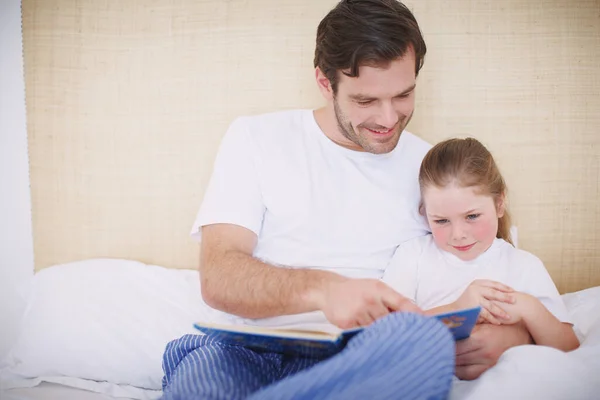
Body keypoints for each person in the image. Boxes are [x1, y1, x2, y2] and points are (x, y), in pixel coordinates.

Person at [160, 1, 532, 398]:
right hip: (247, 350)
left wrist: (515, 337)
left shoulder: (434, 171)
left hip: (371, 354)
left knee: (422, 341)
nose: (389, 119)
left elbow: (490, 263)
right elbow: (219, 278)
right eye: (366, 101)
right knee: (202, 376)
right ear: (324, 82)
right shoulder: (256, 138)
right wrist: (326, 290)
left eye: (403, 95)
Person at [382, 137, 580, 374]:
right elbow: (385, 336)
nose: (458, 235)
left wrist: (527, 308)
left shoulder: (523, 266)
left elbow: (569, 348)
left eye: (472, 216)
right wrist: (458, 307)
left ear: (499, 204)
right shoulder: (412, 256)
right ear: (425, 214)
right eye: (441, 220)